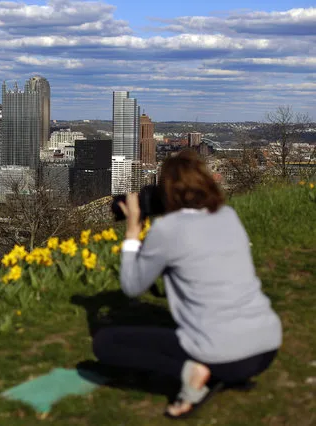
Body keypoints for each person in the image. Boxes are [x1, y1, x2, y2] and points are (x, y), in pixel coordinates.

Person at [92, 150, 282, 419]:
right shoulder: (227, 215)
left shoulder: (168, 229)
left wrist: (133, 231)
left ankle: (192, 372)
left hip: (226, 357)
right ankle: (215, 370)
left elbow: (131, 286)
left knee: (105, 343)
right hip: (266, 347)